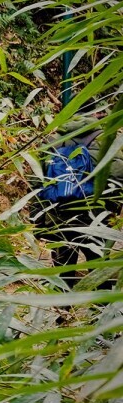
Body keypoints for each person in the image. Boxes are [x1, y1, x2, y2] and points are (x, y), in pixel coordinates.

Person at [34, 102, 123, 287]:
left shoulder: (51, 142)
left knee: (62, 270)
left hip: (58, 215)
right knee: (99, 269)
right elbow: (118, 178)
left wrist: (38, 219)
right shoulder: (107, 140)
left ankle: (59, 312)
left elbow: (37, 183)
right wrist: (112, 210)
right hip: (95, 216)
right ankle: (100, 311)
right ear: (96, 114)